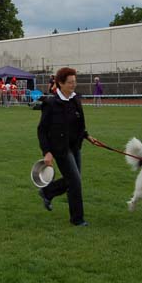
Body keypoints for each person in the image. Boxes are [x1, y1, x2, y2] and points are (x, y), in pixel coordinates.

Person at [36, 67, 99, 227]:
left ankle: (47, 192)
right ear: (60, 83)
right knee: (75, 181)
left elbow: (78, 124)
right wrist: (47, 152)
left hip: (75, 145)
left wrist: (87, 136)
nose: (73, 85)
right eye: (70, 82)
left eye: (74, 82)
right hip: (60, 148)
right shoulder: (50, 103)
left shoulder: (75, 99)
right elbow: (42, 130)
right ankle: (77, 220)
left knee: (73, 180)